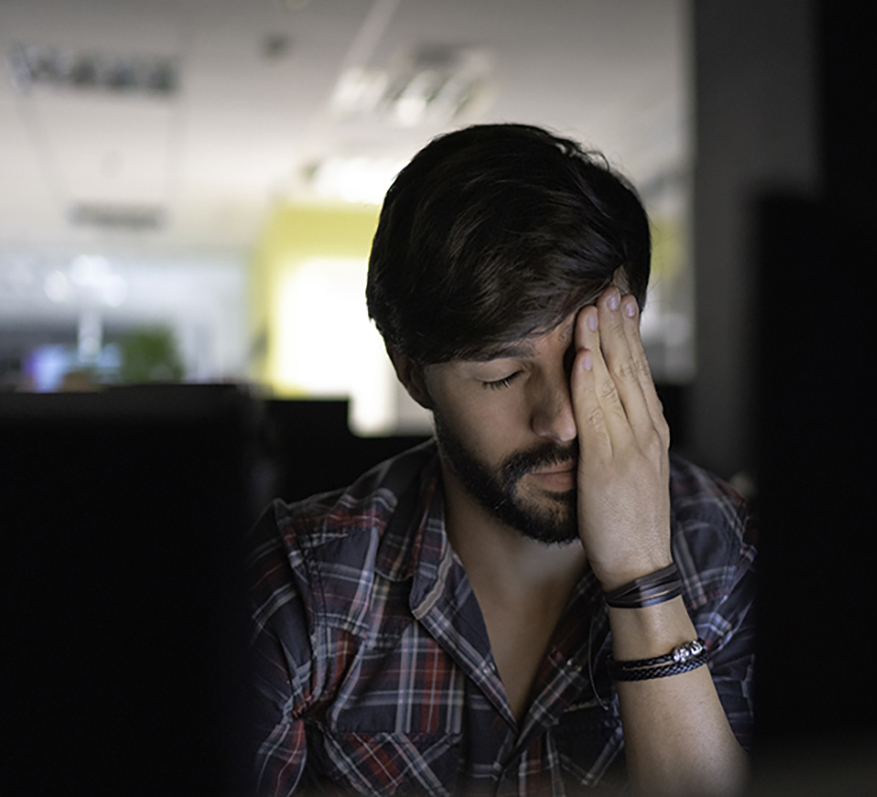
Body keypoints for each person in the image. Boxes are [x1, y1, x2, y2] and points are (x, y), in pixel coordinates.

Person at [248, 124, 756, 796]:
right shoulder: (308, 586)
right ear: (413, 375)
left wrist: (641, 576)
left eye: (593, 357)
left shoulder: (730, 552)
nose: (564, 419)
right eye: (500, 375)